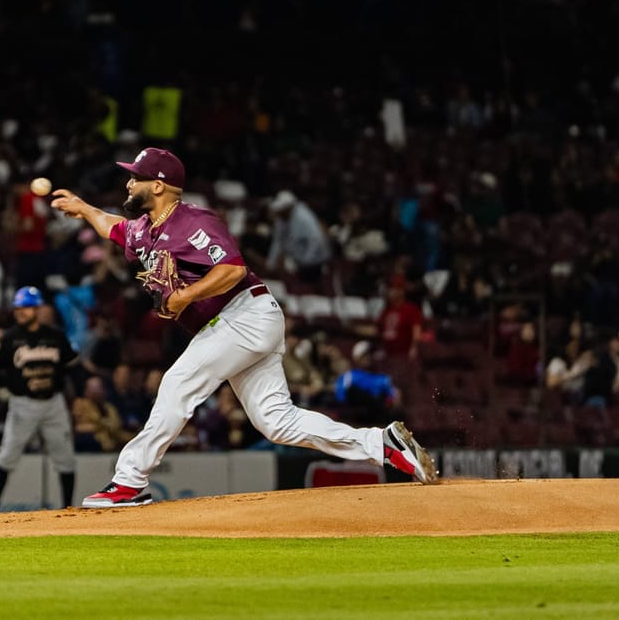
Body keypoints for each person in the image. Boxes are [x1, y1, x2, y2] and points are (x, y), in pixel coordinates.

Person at [51, 147, 437, 508]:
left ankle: (129, 481)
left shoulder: (193, 222)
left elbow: (232, 268)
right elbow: (114, 227)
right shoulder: (145, 230)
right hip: (238, 323)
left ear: (159, 185)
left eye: (136, 177)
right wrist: (83, 208)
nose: (128, 183)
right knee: (278, 422)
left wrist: (185, 297)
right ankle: (382, 445)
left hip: (243, 315)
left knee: (177, 382)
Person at [0, 287, 79, 512]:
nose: (20, 313)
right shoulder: (10, 338)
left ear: (37, 309)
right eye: (18, 309)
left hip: (54, 403)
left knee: (65, 458)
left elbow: (74, 367)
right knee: (7, 456)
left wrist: (79, 396)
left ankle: (68, 508)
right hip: (23, 404)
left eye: (25, 308)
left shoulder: (55, 336)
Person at [265, 190, 331, 283]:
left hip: (315, 262)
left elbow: (316, 240)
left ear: (288, 208)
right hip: (297, 260)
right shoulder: (281, 218)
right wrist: (271, 263)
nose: (278, 213)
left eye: (281, 210)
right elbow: (278, 241)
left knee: (307, 288)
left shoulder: (304, 217)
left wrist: (306, 262)